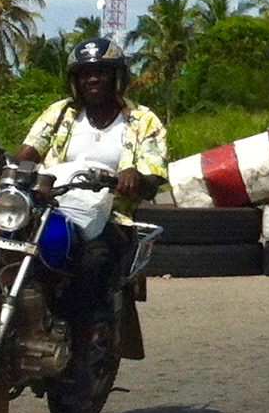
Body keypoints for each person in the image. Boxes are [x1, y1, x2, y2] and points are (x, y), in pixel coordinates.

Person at [13, 37, 168, 325]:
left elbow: (152, 177)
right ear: (75, 80)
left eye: (101, 72)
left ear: (117, 77)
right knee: (3, 241)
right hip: (51, 207)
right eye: (84, 73)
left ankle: (81, 353)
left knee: (94, 261)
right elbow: (29, 151)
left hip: (109, 216)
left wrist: (135, 177)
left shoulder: (142, 119)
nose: (92, 79)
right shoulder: (61, 113)